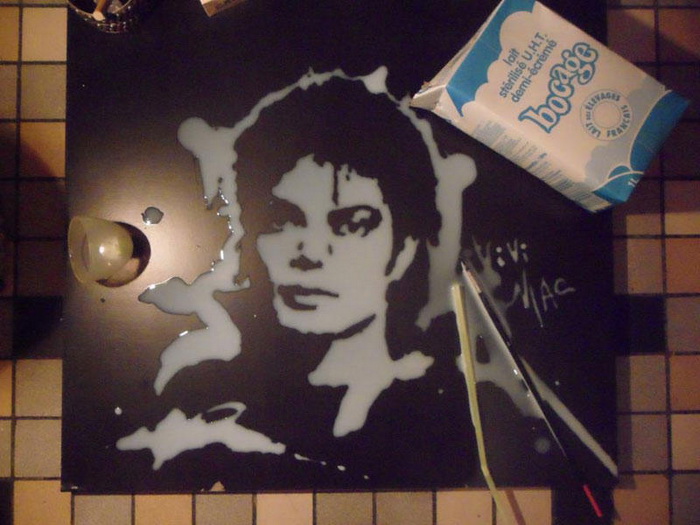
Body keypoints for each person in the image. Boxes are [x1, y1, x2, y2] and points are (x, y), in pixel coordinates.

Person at [117, 68, 480, 489]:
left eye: (351, 224)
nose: (310, 253)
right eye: (284, 219)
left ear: (404, 249)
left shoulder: (443, 421)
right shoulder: (202, 404)